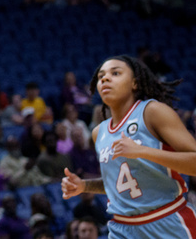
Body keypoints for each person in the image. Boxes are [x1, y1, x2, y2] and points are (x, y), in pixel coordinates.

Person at [62, 55, 196, 238]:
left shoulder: (152, 112)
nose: (105, 78)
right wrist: (83, 186)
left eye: (115, 73)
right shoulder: (98, 133)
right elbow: (123, 183)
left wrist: (143, 151)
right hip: (122, 228)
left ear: (135, 83)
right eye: (101, 76)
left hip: (167, 221)